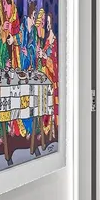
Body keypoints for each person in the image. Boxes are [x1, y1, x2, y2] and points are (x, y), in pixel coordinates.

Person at [39, 13, 59, 143]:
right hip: (45, 76)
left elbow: (56, 64)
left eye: (49, 22)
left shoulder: (55, 41)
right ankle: (44, 130)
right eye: (47, 21)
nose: (48, 24)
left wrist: (46, 57)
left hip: (52, 80)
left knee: (50, 104)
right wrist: (41, 55)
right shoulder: (47, 39)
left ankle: (51, 131)